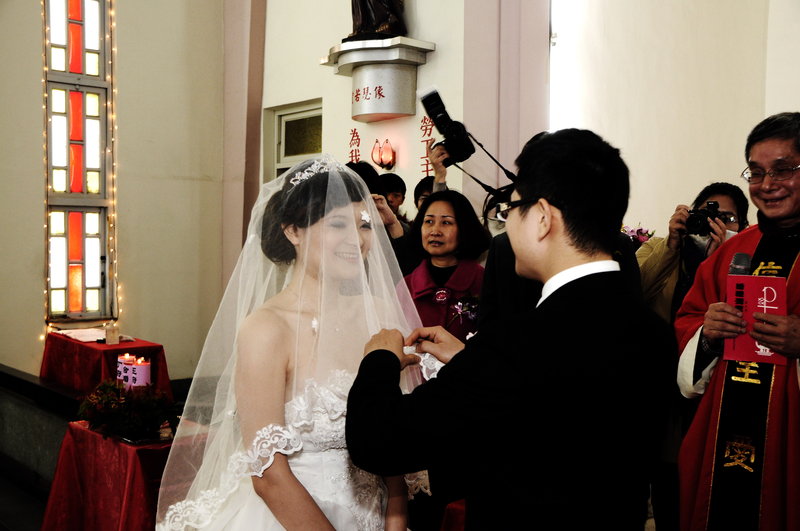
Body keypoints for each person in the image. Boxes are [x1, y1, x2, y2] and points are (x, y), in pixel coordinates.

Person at [346, 128, 676, 529]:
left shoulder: (518, 343)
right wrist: (470, 362)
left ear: (542, 218)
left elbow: (378, 441)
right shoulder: (654, 332)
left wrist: (380, 358)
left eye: (511, 208)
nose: (507, 223)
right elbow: (551, 412)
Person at [156, 156, 424, 530]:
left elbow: (393, 435)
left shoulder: (379, 314)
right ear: (293, 231)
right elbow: (269, 474)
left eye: (364, 224)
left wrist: (396, 518)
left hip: (375, 514)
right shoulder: (267, 329)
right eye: (337, 224)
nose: (356, 239)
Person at [674, 112, 800, 531]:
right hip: (724, 427)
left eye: (783, 169)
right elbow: (689, 319)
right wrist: (708, 334)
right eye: (756, 172)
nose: (767, 184)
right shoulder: (732, 251)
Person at [636, 182, 749, 531]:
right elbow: (632, 292)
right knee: (666, 491)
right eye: (707, 213)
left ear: (744, 226)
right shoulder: (660, 248)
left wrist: (725, 258)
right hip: (659, 397)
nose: (716, 223)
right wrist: (671, 245)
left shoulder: (745, 260)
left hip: (714, 397)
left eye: (728, 218)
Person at [406, 190, 491, 344]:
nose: (435, 231)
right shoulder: (405, 287)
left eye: (446, 223)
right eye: (429, 221)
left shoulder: (485, 281)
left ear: (464, 228)